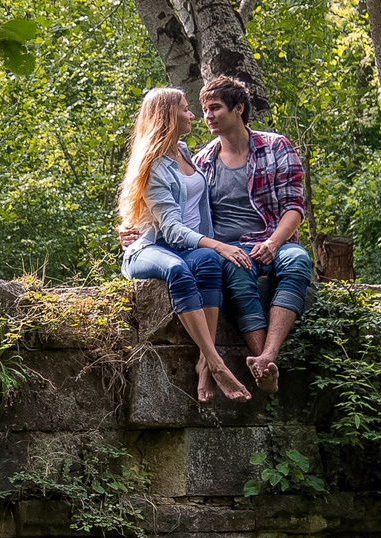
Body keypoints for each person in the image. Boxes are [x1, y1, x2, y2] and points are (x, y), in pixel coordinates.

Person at [117, 86, 254, 401]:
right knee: (179, 269)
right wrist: (219, 244)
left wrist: (213, 248)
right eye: (186, 108)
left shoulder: (183, 151)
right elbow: (172, 230)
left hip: (183, 248)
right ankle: (216, 362)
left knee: (208, 262)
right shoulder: (152, 165)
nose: (193, 114)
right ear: (168, 115)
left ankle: (203, 365)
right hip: (149, 249)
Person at [192, 74, 312, 390]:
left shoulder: (276, 147)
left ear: (239, 108)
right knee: (237, 271)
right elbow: (179, 212)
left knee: (298, 260)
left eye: (215, 108)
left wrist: (273, 243)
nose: (208, 116)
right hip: (230, 248)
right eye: (205, 110)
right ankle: (264, 366)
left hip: (275, 239)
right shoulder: (202, 162)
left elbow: (295, 208)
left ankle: (269, 354)